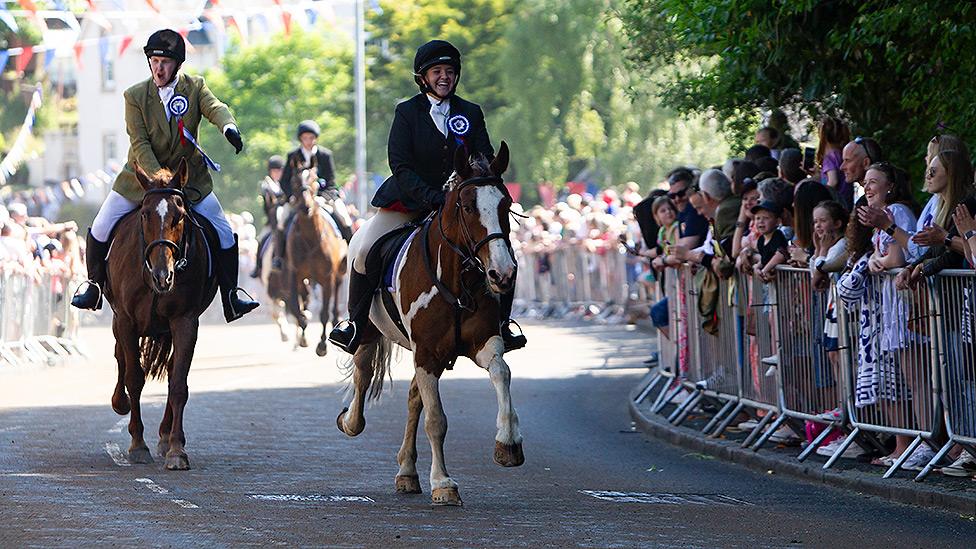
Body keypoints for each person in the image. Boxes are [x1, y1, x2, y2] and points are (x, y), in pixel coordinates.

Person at [328, 39, 525, 354]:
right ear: (423, 78)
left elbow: (484, 158)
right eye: (437, 71)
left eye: (449, 71)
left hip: (462, 206)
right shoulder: (407, 112)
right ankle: (355, 324)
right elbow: (400, 165)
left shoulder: (470, 112)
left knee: (504, 254)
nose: (444, 77)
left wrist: (473, 182)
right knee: (365, 250)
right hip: (410, 201)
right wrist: (433, 197)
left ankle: (502, 323)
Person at [70, 29, 258, 322]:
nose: (159, 67)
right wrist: (158, 178)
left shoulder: (195, 88)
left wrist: (228, 127)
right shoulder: (134, 96)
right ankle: (93, 286)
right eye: (155, 61)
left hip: (189, 182)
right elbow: (139, 142)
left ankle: (231, 294)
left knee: (223, 230)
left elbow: (215, 108)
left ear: (178, 65)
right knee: (101, 225)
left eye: (165, 62)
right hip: (140, 181)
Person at [273, 120, 353, 272]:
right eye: (305, 138)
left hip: (322, 198)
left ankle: (351, 253)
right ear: (301, 139)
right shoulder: (293, 156)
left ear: (315, 138)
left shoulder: (325, 155)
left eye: (311, 138)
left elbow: (331, 181)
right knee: (281, 220)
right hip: (298, 199)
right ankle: (279, 257)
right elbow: (284, 181)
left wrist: (323, 197)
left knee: (344, 217)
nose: (308, 141)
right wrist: (292, 196)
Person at [250, 155, 284, 278]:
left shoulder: (284, 183)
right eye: (274, 171)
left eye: (279, 170)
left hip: (284, 217)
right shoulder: (266, 185)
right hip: (272, 220)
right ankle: (258, 267)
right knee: (261, 239)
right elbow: (274, 198)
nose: (277, 173)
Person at [815, 117, 853, 208]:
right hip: (847, 201)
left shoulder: (829, 158)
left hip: (835, 205)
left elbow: (833, 181)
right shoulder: (842, 154)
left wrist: (821, 195)